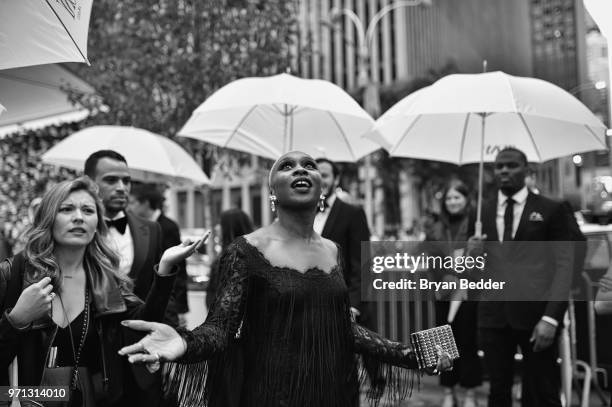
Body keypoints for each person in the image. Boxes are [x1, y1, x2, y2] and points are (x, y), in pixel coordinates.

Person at [119, 151, 452, 407]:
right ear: (272, 192)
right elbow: (220, 328)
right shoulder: (246, 249)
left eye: (308, 165)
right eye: (288, 166)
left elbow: (342, 329)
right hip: (269, 393)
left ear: (322, 189)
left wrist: (410, 356)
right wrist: (183, 343)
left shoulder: (333, 250)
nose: (301, 169)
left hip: (330, 391)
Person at [0, 177, 205, 406]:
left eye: (88, 210)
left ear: (97, 222)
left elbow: (143, 324)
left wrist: (165, 268)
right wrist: (16, 319)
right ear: (48, 217)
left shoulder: (105, 280)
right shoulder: (13, 275)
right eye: (66, 209)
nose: (78, 217)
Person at [468, 147, 572, 407]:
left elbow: (567, 267)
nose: (504, 170)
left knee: (541, 393)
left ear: (527, 170)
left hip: (538, 318)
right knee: (497, 393)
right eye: (499, 166)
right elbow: (473, 275)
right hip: (494, 318)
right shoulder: (480, 213)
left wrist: (551, 317)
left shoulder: (553, 209)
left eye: (512, 165)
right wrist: (472, 255)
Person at [84, 151, 179, 326]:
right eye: (111, 180)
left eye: (126, 181)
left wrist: (174, 331)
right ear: (89, 184)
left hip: (138, 337)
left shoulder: (152, 230)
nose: (121, 187)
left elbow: (161, 288)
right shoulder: (76, 229)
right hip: (86, 339)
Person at [426, 179, 481, 407]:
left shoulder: (475, 225)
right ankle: (448, 392)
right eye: (449, 198)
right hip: (443, 292)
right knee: (443, 344)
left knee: (468, 342)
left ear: (466, 199)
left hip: (469, 293)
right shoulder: (436, 227)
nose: (452, 202)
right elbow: (429, 257)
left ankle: (469, 393)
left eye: (457, 197)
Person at [129, 183, 190, 328]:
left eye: (132, 202)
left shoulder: (168, 226)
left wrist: (180, 308)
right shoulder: (133, 227)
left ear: (145, 203)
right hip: (139, 303)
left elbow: (178, 268)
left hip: (164, 301)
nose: (129, 207)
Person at [205, 208, 254, 311]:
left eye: (220, 224)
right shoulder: (255, 256)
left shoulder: (231, 258)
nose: (217, 228)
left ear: (231, 228)